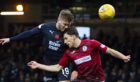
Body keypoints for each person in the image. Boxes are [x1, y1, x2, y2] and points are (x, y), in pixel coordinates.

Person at [27, 26, 131, 82]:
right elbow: (58, 68)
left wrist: (123, 57)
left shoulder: (91, 43)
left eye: (66, 38)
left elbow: (110, 51)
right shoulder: (68, 52)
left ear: (74, 36)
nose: (65, 42)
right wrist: (38, 65)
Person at [0, 9, 75, 82]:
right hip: (48, 65)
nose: (66, 27)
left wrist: (75, 70)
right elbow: (30, 33)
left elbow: (76, 50)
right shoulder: (46, 27)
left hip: (62, 65)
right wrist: (10, 39)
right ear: (58, 20)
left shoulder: (70, 32)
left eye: (68, 25)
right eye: (65, 24)